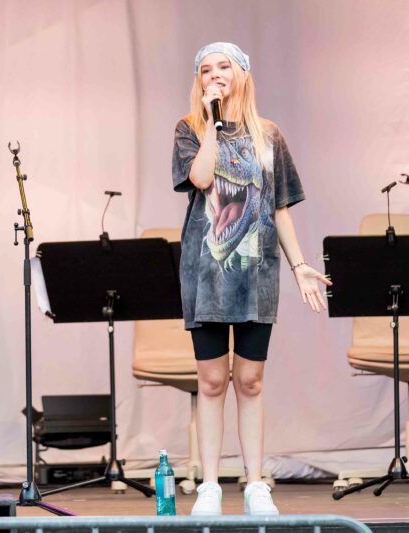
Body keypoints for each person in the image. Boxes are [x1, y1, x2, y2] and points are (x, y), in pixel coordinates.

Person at [171, 42, 331, 516]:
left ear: (242, 73)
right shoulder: (189, 128)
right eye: (206, 70)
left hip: (256, 273)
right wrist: (212, 124)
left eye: (224, 67)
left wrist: (300, 266)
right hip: (206, 273)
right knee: (211, 380)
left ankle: (256, 483)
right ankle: (210, 486)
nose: (214, 75)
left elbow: (279, 208)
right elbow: (202, 179)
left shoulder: (269, 135)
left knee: (251, 380)